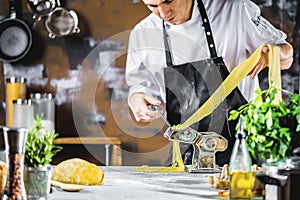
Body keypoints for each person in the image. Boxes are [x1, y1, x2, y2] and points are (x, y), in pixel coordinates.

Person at [125, 0, 293, 166]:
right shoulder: (143, 33)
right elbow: (141, 85)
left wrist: (272, 54)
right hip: (187, 154)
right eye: (152, 6)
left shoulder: (234, 10)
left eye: (168, 1)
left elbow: (287, 55)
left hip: (244, 149)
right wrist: (137, 98)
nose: (162, 13)